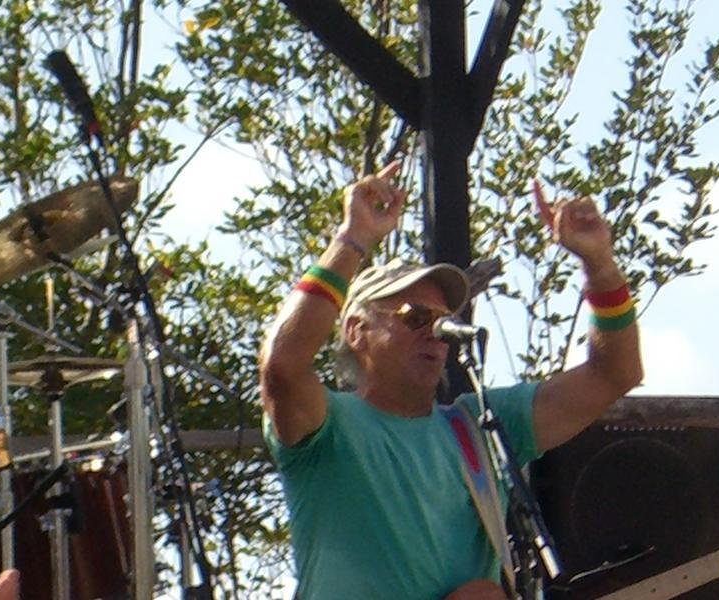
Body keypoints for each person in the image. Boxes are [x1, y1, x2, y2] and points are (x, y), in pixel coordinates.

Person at [259, 162, 643, 599]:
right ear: (356, 330)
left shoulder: (481, 425)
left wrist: (599, 264)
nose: (435, 331)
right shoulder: (328, 424)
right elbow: (282, 367)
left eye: (444, 320)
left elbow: (615, 373)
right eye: (415, 316)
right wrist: (353, 238)